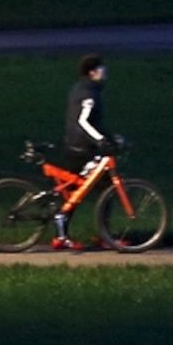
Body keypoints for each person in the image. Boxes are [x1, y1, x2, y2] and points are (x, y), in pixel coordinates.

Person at [50, 54, 125, 250]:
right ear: (92, 72)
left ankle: (61, 235)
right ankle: (105, 236)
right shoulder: (89, 93)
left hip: (75, 146)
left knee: (72, 193)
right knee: (106, 189)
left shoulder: (82, 88)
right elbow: (83, 121)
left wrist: (110, 137)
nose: (105, 72)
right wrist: (101, 141)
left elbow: (94, 123)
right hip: (83, 149)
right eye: (101, 69)